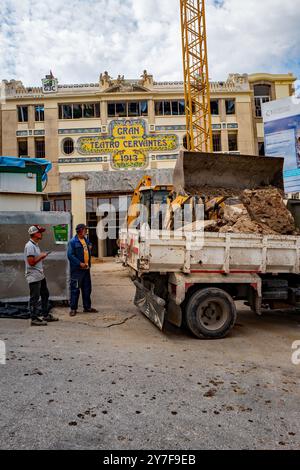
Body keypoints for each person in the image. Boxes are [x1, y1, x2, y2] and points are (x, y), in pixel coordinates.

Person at [24, 225, 59, 326]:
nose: (41, 234)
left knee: (45, 294)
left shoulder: (35, 244)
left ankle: (45, 315)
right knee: (34, 297)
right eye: (40, 232)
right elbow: (31, 262)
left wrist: (41, 256)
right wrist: (41, 256)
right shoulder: (30, 246)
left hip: (39, 275)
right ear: (35, 234)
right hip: (33, 276)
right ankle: (34, 319)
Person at [67, 224, 98, 317]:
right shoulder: (72, 242)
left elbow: (88, 245)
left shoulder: (85, 239)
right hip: (77, 271)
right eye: (85, 229)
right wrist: (79, 263)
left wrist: (90, 246)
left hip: (86, 270)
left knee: (87, 289)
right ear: (80, 230)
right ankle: (73, 309)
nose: (86, 231)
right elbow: (70, 255)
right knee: (75, 290)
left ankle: (87, 307)